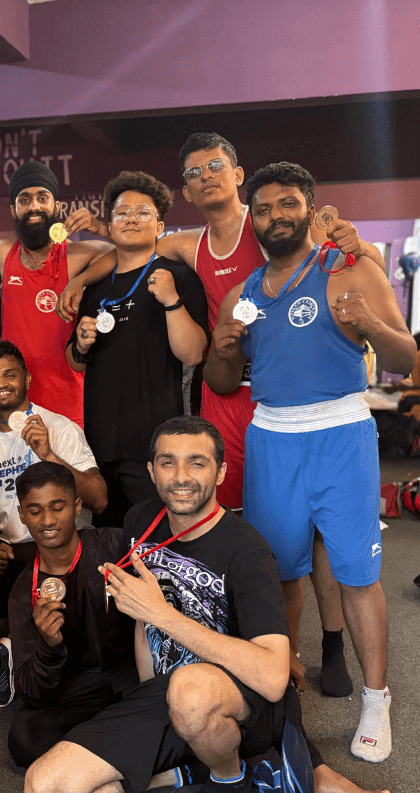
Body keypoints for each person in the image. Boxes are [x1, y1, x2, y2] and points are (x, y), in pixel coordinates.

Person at [60, 133, 385, 692]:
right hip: (224, 390)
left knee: (321, 538)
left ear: (239, 173)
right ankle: (255, 646)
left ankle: (329, 646)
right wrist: (80, 278)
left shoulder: (274, 224)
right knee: (245, 530)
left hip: (294, 392)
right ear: (185, 189)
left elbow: (356, 259)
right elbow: (125, 251)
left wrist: (365, 248)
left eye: (216, 166)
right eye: (194, 171)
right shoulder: (190, 245)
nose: (206, 176)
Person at [23, 417, 391, 793]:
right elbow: (145, 627)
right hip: (171, 695)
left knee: (190, 689)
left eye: (196, 463)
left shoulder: (248, 551)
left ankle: (228, 776)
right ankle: (198, 768)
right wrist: (149, 705)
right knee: (45, 791)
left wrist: (163, 616)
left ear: (219, 472)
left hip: (244, 700)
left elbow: (274, 678)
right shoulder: (141, 520)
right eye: (167, 463)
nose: (180, 477)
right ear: (151, 470)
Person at [204, 162, 416, 762]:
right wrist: (222, 351)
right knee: (280, 576)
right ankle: (283, 696)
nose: (276, 217)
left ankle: (377, 699)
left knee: (357, 575)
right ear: (255, 219)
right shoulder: (242, 296)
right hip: (272, 437)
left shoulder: (345, 268)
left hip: (341, 433)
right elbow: (222, 381)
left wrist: (370, 323)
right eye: (265, 209)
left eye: (288, 204)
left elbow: (404, 356)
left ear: (310, 207)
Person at [66, 171, 208, 524]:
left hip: (154, 445)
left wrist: (172, 301)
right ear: (110, 226)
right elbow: (76, 362)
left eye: (142, 212)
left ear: (159, 226)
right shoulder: (97, 285)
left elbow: (193, 354)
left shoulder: (177, 275)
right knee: (108, 542)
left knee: (155, 541)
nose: (131, 218)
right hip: (98, 445)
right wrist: (82, 344)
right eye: (121, 212)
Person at [0, 340, 106, 628]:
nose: (1, 384)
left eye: (10, 374)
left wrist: (49, 456)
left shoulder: (61, 428)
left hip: (71, 547)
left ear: (27, 379)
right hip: (18, 557)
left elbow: (100, 498)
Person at [7, 462, 137, 767]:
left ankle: (92, 744)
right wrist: (48, 647)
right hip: (77, 692)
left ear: (77, 507)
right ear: (22, 515)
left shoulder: (115, 545)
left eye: (58, 507)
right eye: (35, 511)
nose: (48, 520)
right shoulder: (22, 593)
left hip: (130, 677)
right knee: (24, 740)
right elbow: (31, 693)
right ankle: (119, 739)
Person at [0, 162, 113, 427]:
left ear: (57, 207)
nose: (34, 206)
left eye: (43, 197)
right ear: (13, 210)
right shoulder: (2, 252)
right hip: (15, 403)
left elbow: (136, 251)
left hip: (68, 401)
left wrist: (99, 229)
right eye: (24, 200)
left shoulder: (76, 255)